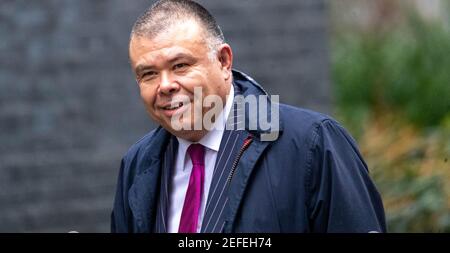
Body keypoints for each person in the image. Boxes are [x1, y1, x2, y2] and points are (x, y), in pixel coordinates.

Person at [111, 0, 386, 233]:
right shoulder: (137, 165)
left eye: (180, 65)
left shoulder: (312, 145)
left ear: (224, 62)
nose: (165, 85)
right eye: (148, 74)